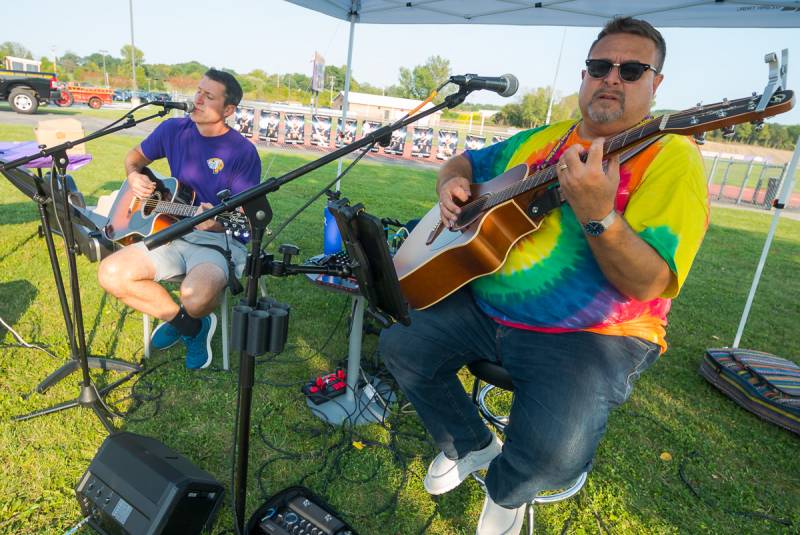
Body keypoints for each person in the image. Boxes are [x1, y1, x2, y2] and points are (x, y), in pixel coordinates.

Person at [380, 17, 708, 535]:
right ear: (585, 75)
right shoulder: (545, 139)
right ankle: (472, 445)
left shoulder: (671, 157)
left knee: (556, 456)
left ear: (656, 84)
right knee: (401, 347)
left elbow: (647, 284)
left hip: (594, 334)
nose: (612, 78)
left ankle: (507, 491)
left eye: (631, 69)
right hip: (486, 302)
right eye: (601, 66)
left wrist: (599, 214)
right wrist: (453, 185)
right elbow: (461, 162)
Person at [98, 69, 261, 370]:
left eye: (208, 96)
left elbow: (245, 220)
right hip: (168, 232)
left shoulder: (242, 153)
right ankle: (190, 326)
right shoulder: (173, 129)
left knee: (195, 296)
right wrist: (134, 176)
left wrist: (217, 221)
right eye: (198, 91)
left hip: (216, 239)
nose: (197, 99)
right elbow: (134, 158)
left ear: (228, 110)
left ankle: (190, 315)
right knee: (111, 273)